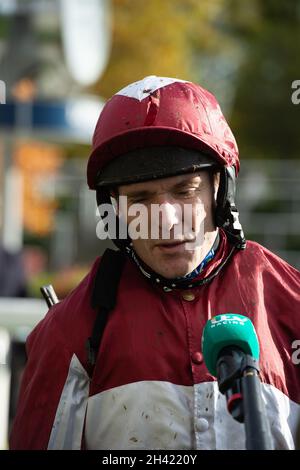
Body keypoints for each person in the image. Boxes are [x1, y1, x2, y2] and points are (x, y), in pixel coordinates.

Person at [10, 76, 300, 450]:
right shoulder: (69, 331)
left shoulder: (291, 303)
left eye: (184, 191)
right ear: (113, 211)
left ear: (220, 190)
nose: (165, 219)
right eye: (141, 198)